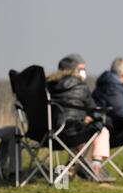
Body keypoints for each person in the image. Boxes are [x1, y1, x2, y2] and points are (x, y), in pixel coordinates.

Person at [47, 54, 114, 182]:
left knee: (78, 136)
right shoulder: (80, 86)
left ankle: (73, 169)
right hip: (72, 133)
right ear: (75, 70)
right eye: (81, 68)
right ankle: (94, 166)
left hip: (48, 135)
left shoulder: (47, 86)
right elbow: (93, 110)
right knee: (101, 130)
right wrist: (88, 118)